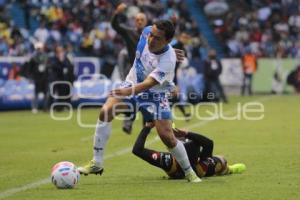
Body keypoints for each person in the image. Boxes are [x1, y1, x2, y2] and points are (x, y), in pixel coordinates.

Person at [78, 20, 201, 182]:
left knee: (167, 137)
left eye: (157, 38)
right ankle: (97, 163)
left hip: (156, 94)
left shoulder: (168, 60)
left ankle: (189, 172)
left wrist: (128, 91)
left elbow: (149, 84)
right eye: (151, 35)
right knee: (106, 111)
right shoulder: (146, 32)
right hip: (132, 82)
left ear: (167, 41)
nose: (151, 39)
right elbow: (133, 33)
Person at [111, 2, 185, 134]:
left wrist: (170, 50)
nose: (139, 22)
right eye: (137, 20)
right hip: (134, 70)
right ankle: (129, 122)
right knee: (131, 97)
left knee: (150, 101)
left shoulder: (151, 34)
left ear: (146, 22)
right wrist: (117, 13)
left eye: (142, 20)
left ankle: (150, 125)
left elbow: (160, 45)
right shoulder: (130, 33)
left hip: (150, 74)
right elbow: (115, 26)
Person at [132, 122, 246, 179]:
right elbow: (208, 143)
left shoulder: (170, 161)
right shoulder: (170, 162)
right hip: (194, 168)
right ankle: (228, 169)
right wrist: (187, 134)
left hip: (193, 166)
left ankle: (228, 169)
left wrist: (147, 127)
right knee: (220, 161)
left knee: (219, 161)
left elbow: (137, 150)